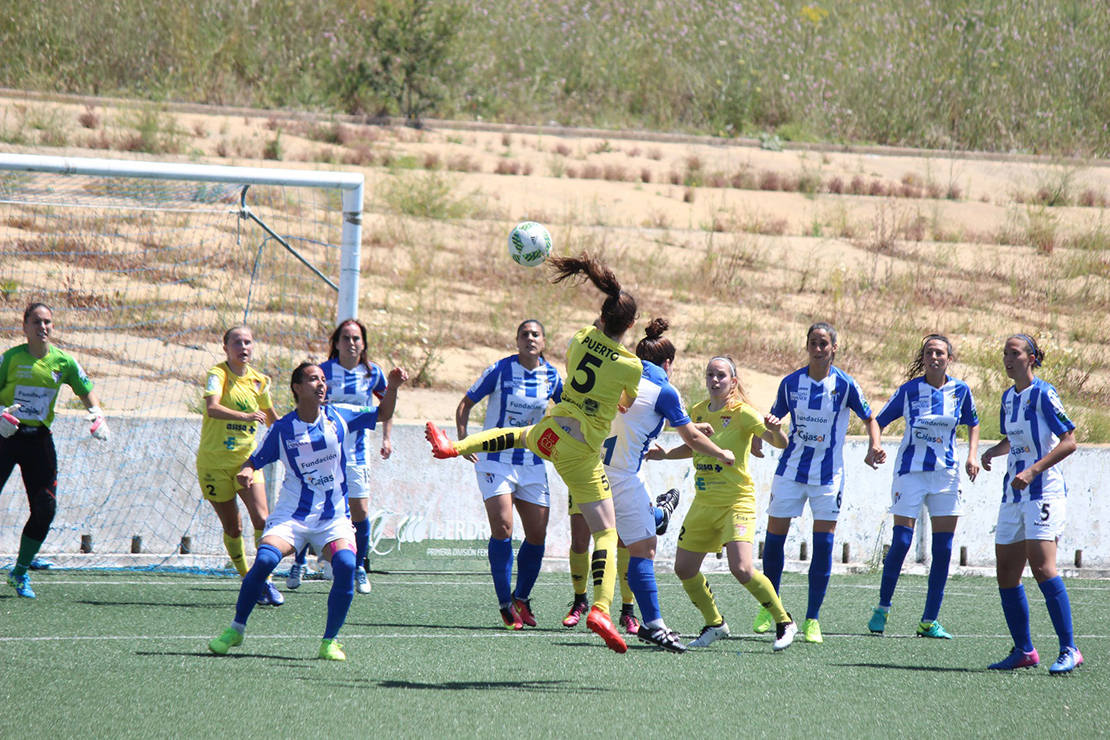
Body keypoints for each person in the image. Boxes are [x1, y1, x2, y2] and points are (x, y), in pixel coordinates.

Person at [425, 251, 641, 653]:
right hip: (582, 452)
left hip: (552, 432)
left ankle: (454, 447)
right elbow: (625, 401)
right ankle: (601, 608)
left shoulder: (579, 338)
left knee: (517, 435)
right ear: (630, 325)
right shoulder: (632, 366)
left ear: (601, 315)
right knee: (607, 533)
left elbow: (595, 335)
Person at [208, 361, 408, 660]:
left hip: (333, 518)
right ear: (297, 388)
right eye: (313, 379)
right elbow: (256, 458)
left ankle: (330, 641)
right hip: (293, 516)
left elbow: (382, 413)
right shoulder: (284, 429)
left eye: (323, 379)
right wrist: (247, 470)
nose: (321, 384)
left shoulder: (339, 416)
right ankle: (236, 629)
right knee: (264, 561)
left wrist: (391, 388)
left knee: (345, 565)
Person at [601, 320, 736, 652]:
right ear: (667, 364)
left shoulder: (616, 376)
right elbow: (690, 438)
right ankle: (654, 624)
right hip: (624, 477)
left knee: (616, 540)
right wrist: (720, 452)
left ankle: (659, 513)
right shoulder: (663, 389)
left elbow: (647, 421)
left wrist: (691, 425)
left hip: (593, 469)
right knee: (643, 550)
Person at [647, 356, 796, 651]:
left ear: (733, 382)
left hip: (735, 502)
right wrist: (664, 455)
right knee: (684, 569)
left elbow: (780, 443)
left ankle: (784, 621)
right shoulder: (697, 411)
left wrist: (776, 429)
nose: (714, 380)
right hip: (704, 502)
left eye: (721, 376)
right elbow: (693, 446)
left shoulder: (743, 413)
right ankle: (715, 624)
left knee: (741, 568)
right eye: (710, 375)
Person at [754, 322, 884, 644]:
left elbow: (870, 418)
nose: (818, 348)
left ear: (834, 348)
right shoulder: (790, 384)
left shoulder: (845, 385)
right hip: (790, 471)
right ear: (807, 346)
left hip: (828, 476)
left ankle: (813, 618)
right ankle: (771, 608)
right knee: (774, 541)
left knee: (823, 545)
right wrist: (762, 435)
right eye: (813, 343)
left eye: (823, 343)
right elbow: (775, 425)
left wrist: (875, 445)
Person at [980, 334, 1082, 674]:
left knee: (1042, 567)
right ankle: (1024, 650)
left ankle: (1070, 648)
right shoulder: (1008, 397)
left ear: (1032, 358)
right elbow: (1015, 437)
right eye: (1004, 353)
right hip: (1013, 494)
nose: (1007, 358)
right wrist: (994, 451)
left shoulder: (1044, 393)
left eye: (1014, 353)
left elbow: (1069, 441)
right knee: (1006, 571)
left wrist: (1034, 470)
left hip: (1043, 491)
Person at [867, 335, 980, 639]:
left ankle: (929, 621)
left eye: (940, 352)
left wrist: (971, 455)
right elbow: (878, 419)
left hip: (946, 476)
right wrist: (875, 444)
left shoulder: (960, 390)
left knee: (942, 549)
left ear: (949, 359)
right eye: (929, 352)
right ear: (924, 357)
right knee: (902, 542)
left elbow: (972, 421)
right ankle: (882, 608)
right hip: (911, 473)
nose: (934, 357)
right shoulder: (910, 390)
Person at [455, 319, 563, 629]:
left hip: (532, 462)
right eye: (524, 334)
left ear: (544, 342)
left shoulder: (552, 376)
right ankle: (505, 605)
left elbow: (570, 409)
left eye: (536, 334)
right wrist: (463, 441)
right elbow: (466, 404)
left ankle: (522, 598)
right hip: (495, 460)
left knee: (537, 534)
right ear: (516, 341)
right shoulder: (500, 370)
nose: (530, 338)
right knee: (503, 527)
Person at [0, 303, 109, 598]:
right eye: (36, 321)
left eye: (48, 322)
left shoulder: (64, 362)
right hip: (5, 438)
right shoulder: (10, 359)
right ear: (24, 327)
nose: (43, 327)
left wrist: (97, 414)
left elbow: (84, 388)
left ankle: (19, 572)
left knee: (46, 509)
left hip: (39, 441)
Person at [287, 319, 392, 595]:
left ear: (364, 343)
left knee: (361, 511)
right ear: (336, 343)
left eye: (356, 338)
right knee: (313, 507)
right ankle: (299, 561)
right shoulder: (322, 371)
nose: (351, 343)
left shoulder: (373, 373)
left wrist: (386, 436)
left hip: (357, 453)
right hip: (323, 453)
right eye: (345, 338)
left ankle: (358, 566)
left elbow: (384, 407)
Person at [196, 326, 282, 606]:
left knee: (262, 519)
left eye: (248, 342)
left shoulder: (260, 381)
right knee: (234, 529)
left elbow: (272, 420)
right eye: (237, 342)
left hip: (246, 463)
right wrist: (244, 416)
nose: (243, 347)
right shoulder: (217, 374)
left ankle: (264, 580)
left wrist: (298, 438)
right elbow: (212, 408)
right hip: (213, 464)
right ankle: (248, 578)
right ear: (225, 348)